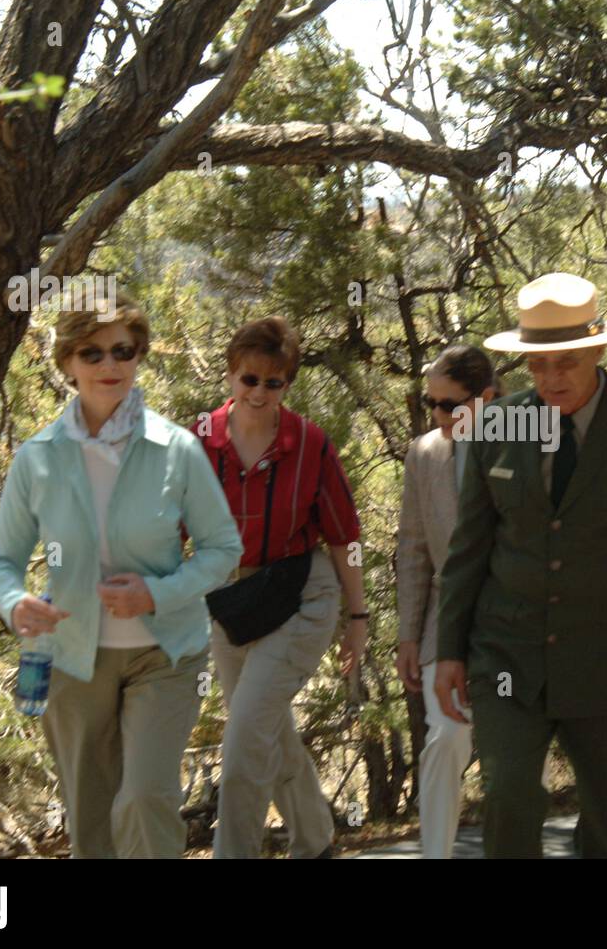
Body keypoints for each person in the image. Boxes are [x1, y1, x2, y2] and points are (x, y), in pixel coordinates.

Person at [435, 272, 607, 859]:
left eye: (567, 362)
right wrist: (449, 650)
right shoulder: (496, 428)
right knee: (509, 798)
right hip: (508, 656)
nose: (551, 379)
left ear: (599, 349)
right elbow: (468, 548)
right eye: (538, 364)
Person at [0, 290, 243, 858]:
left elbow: (224, 549)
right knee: (92, 825)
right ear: (68, 362)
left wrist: (157, 593)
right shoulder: (38, 457)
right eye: (92, 353)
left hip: (166, 654)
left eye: (123, 351)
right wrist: (13, 602)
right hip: (72, 660)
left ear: (138, 356)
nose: (110, 366)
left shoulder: (176, 449)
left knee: (145, 799)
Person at [193, 317, 367, 860]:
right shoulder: (200, 443)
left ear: (287, 384)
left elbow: (345, 537)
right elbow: (168, 525)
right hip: (233, 600)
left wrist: (356, 619)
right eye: (250, 380)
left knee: (245, 737)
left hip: (301, 596)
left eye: (274, 383)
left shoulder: (310, 444)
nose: (260, 393)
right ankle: (315, 841)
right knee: (269, 730)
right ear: (230, 376)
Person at [396, 344, 497, 858]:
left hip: (508, 624)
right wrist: (407, 636)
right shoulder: (424, 454)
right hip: (443, 626)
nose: (436, 416)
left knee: (514, 751)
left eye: (448, 405)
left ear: (486, 399)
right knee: (445, 740)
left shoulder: (521, 447)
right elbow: (412, 550)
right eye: (429, 403)